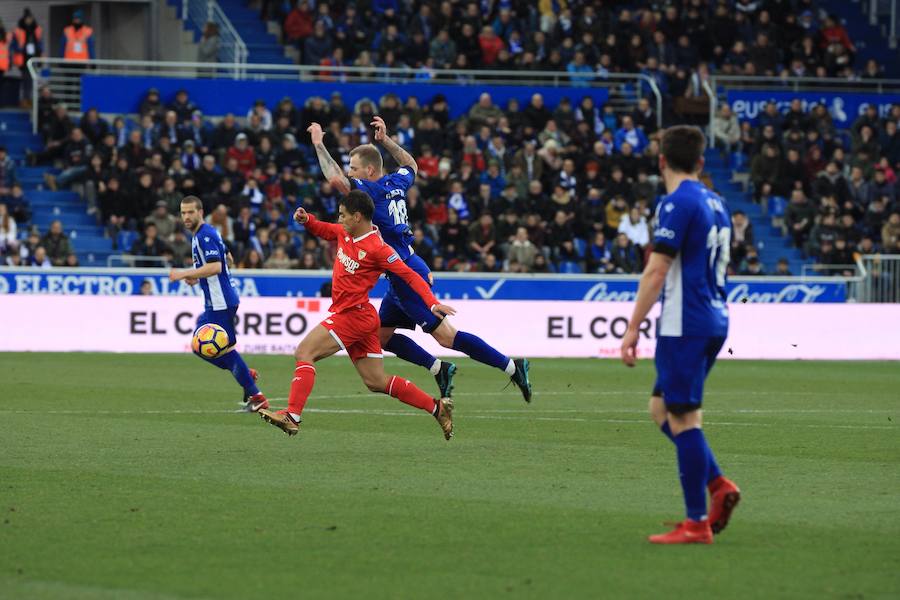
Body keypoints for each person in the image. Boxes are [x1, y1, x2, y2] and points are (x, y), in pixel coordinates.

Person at [307, 116, 532, 402]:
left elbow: (336, 178)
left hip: (405, 274)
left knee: (446, 337)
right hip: (402, 270)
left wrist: (318, 144)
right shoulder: (397, 182)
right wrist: (386, 140)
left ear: (370, 170)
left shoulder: (371, 191)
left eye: (354, 168)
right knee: (381, 336)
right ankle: (439, 369)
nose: (351, 173)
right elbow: (411, 164)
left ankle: (514, 368)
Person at [620, 126, 741, 545]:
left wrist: (633, 326)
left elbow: (657, 270)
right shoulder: (718, 202)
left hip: (684, 322)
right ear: (701, 162)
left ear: (661, 161)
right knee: (661, 407)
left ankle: (696, 523)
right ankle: (718, 486)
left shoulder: (677, 203)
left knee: (683, 417)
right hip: (714, 316)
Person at [258, 191, 456, 439]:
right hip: (360, 317)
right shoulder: (345, 232)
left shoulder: (378, 249)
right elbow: (325, 229)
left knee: (304, 352)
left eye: (343, 215)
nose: (339, 220)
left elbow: (408, 275)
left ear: (357, 216)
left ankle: (292, 415)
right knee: (376, 381)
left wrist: (431, 303)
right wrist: (307, 220)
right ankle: (436, 408)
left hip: (353, 315)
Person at [168, 196, 269, 412]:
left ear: (200, 212)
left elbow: (215, 267)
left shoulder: (204, 236)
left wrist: (185, 273)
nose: (186, 217)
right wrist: (198, 277)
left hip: (220, 302)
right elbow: (228, 259)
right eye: (183, 213)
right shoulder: (206, 234)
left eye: (190, 212)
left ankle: (256, 395)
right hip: (217, 301)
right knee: (201, 346)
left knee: (221, 349)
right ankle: (244, 373)